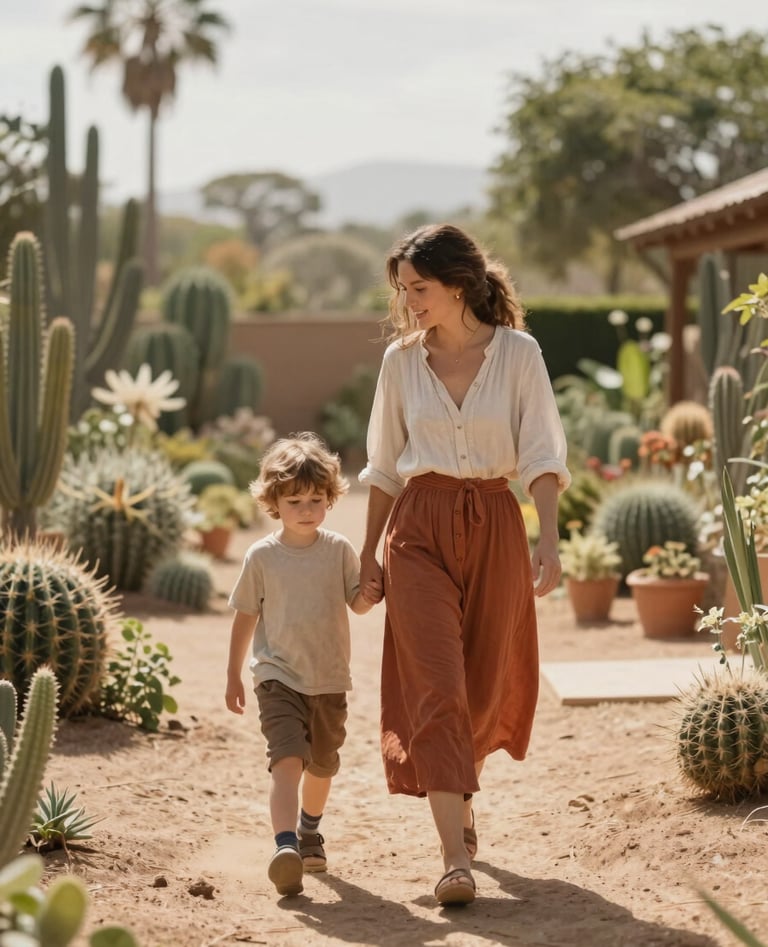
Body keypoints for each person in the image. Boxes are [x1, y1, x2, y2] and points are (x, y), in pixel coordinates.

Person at [358, 223, 570, 906]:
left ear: (458, 284)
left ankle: (463, 798)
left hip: (496, 526)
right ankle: (454, 856)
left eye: (419, 288)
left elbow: (540, 450)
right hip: (417, 527)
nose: (409, 300)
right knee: (437, 686)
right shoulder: (399, 362)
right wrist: (369, 552)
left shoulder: (519, 354)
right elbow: (385, 467)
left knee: (480, 686)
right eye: (404, 290)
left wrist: (550, 539)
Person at [225, 432, 381, 898]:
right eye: (295, 500)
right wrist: (234, 672)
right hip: (278, 676)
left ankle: (310, 830)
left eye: (316, 499)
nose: (307, 508)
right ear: (274, 501)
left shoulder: (337, 550)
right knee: (287, 761)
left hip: (329, 679)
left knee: (322, 766)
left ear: (330, 498)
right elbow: (245, 615)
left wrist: (370, 594)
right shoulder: (262, 556)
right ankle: (285, 846)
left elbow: (357, 604)